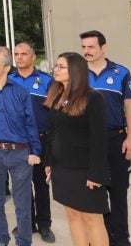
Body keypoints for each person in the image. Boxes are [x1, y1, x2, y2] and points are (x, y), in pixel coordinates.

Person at [0, 47, 42, 246]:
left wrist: (35, 151)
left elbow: (30, 123)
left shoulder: (21, 92)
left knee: (23, 203)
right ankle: (0, 239)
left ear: (6, 68)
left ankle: (24, 241)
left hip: (20, 154)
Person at [45, 52, 109, 246]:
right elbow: (52, 132)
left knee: (92, 218)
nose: (56, 69)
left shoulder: (93, 98)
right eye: (56, 66)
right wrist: (48, 162)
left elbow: (99, 139)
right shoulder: (57, 96)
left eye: (61, 66)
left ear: (75, 70)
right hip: (62, 168)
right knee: (73, 215)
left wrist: (96, 173)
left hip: (84, 170)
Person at [80, 30, 131, 246]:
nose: (86, 51)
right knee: (93, 194)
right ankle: (99, 238)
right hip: (88, 143)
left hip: (115, 140)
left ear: (104, 48)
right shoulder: (78, 74)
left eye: (91, 47)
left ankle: (120, 238)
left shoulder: (121, 73)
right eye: (84, 47)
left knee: (118, 193)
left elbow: (130, 107)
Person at [10, 42, 56, 242]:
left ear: (33, 57)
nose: (19, 57)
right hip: (17, 142)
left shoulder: (47, 81)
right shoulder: (8, 80)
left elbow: (54, 113)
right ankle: (26, 223)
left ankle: (44, 225)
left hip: (40, 140)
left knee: (41, 185)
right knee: (21, 186)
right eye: (16, 54)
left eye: (24, 54)